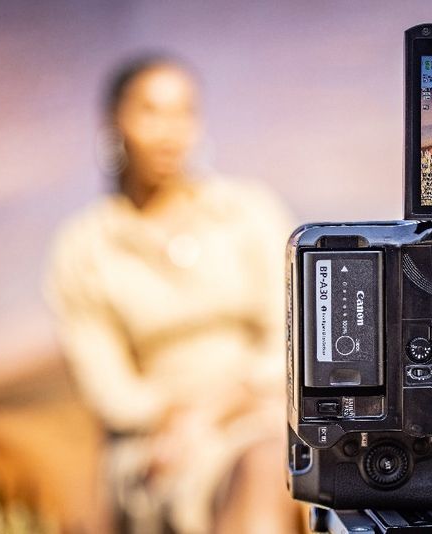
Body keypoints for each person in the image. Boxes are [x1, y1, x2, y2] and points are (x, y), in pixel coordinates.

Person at [44, 56, 299, 534]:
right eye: (150, 112)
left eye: (184, 112)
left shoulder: (247, 211)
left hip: (261, 409)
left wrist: (220, 408)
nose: (170, 130)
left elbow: (292, 334)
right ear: (114, 123)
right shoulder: (85, 247)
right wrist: (181, 420)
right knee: (266, 468)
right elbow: (109, 388)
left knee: (287, 459)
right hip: (158, 443)